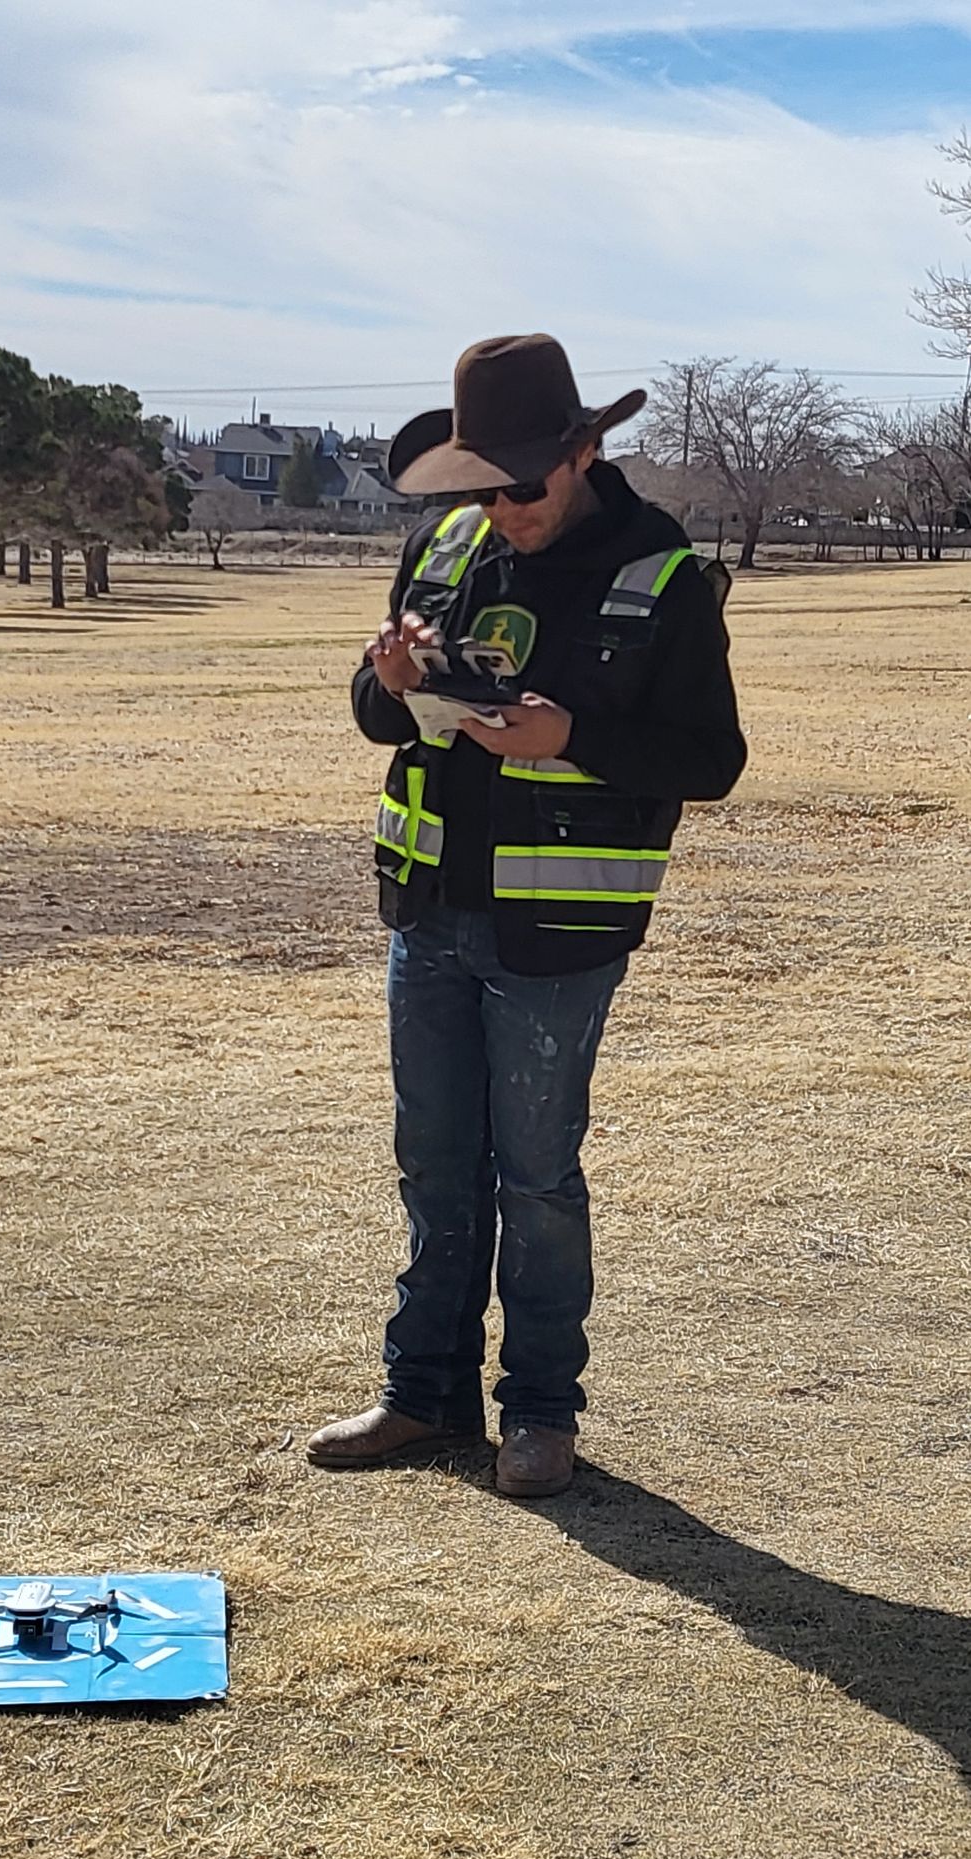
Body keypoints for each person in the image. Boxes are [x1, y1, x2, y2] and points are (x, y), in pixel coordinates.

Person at [307, 333, 747, 1499]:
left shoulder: (658, 570)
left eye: (519, 484)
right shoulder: (445, 543)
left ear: (583, 451)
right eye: (478, 486)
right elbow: (372, 708)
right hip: (429, 909)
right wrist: (388, 681)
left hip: (557, 935)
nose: (499, 509)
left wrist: (572, 740)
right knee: (432, 1164)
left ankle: (541, 1411)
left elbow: (710, 758)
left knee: (536, 1178)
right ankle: (422, 1393)